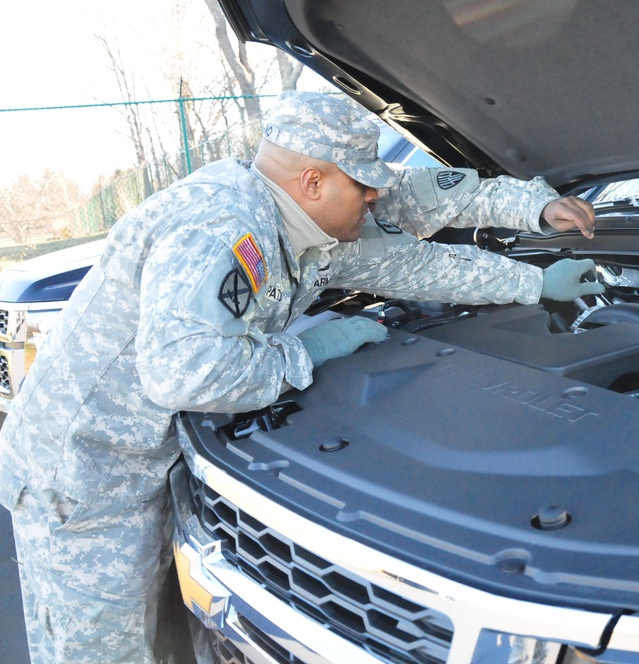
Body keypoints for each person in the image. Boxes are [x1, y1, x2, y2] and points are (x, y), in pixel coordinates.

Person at [0, 89, 604, 663]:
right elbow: (186, 374)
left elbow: (420, 222)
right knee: (106, 652)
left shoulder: (306, 216)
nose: (373, 200)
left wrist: (533, 237)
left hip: (152, 460)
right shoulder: (224, 228)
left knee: (166, 637)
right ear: (313, 181)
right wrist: (307, 350)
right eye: (363, 186)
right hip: (85, 478)